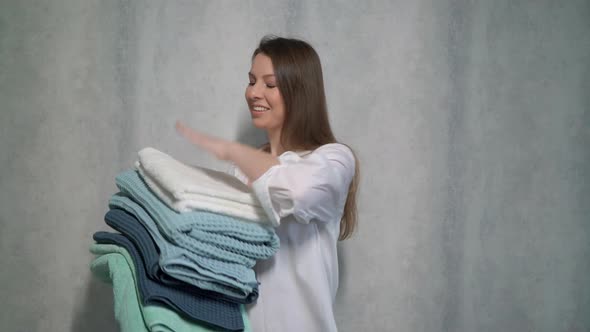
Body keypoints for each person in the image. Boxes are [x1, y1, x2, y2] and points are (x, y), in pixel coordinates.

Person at [175, 35, 360, 332]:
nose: (253, 93)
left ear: (299, 92)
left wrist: (238, 153)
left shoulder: (334, 161)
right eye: (251, 81)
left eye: (269, 84)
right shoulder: (241, 170)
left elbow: (296, 192)